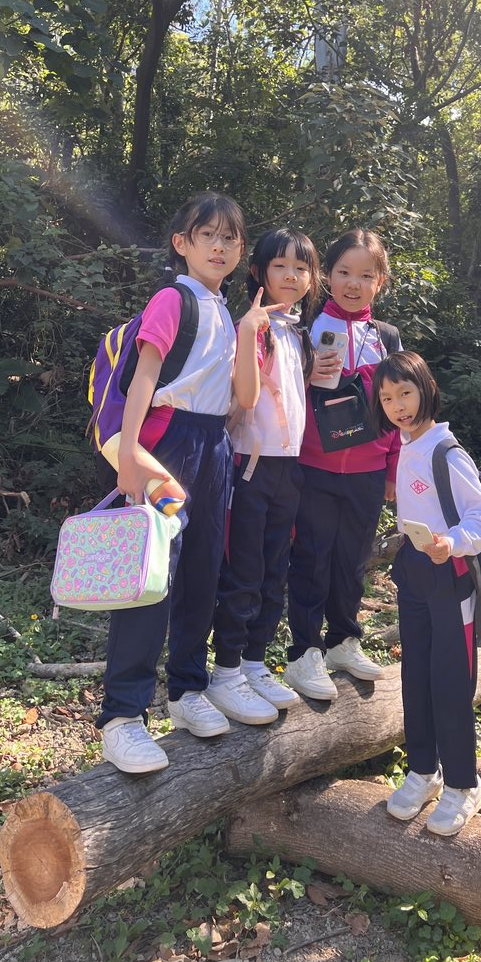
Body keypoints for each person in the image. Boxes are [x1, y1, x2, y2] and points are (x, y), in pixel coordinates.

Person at [100, 192, 275, 774]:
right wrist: (130, 453)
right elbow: (144, 377)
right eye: (208, 235)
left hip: (214, 446)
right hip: (168, 444)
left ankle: (187, 689)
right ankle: (123, 716)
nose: (220, 246)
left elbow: (241, 397)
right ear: (183, 243)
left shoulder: (228, 312)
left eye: (231, 238)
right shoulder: (172, 298)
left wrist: (249, 332)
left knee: (202, 568)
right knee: (151, 573)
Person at [371, 351, 481, 836]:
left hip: (450, 577)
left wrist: (452, 543)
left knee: (450, 682)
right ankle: (424, 771)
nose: (398, 406)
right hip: (414, 573)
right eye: (387, 398)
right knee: (416, 677)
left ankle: (464, 784)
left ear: (426, 389)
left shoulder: (447, 452)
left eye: (405, 393)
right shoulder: (405, 446)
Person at [206, 228, 322, 724]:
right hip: (249, 467)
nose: (291, 275)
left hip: (287, 470)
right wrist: (250, 331)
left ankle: (254, 663)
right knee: (244, 572)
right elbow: (245, 397)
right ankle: (226, 671)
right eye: (280, 266)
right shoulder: (252, 328)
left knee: (275, 571)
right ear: (258, 272)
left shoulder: (295, 332)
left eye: (301, 267)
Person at [285, 228, 401, 701]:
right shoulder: (303, 328)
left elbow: (399, 405)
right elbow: (280, 397)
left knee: (353, 559)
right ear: (326, 277)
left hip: (368, 470)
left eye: (366, 275)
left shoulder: (387, 338)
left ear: (380, 282)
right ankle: (304, 652)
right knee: (311, 557)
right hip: (312, 466)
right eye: (344, 272)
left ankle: (343, 640)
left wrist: (393, 467)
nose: (354, 284)